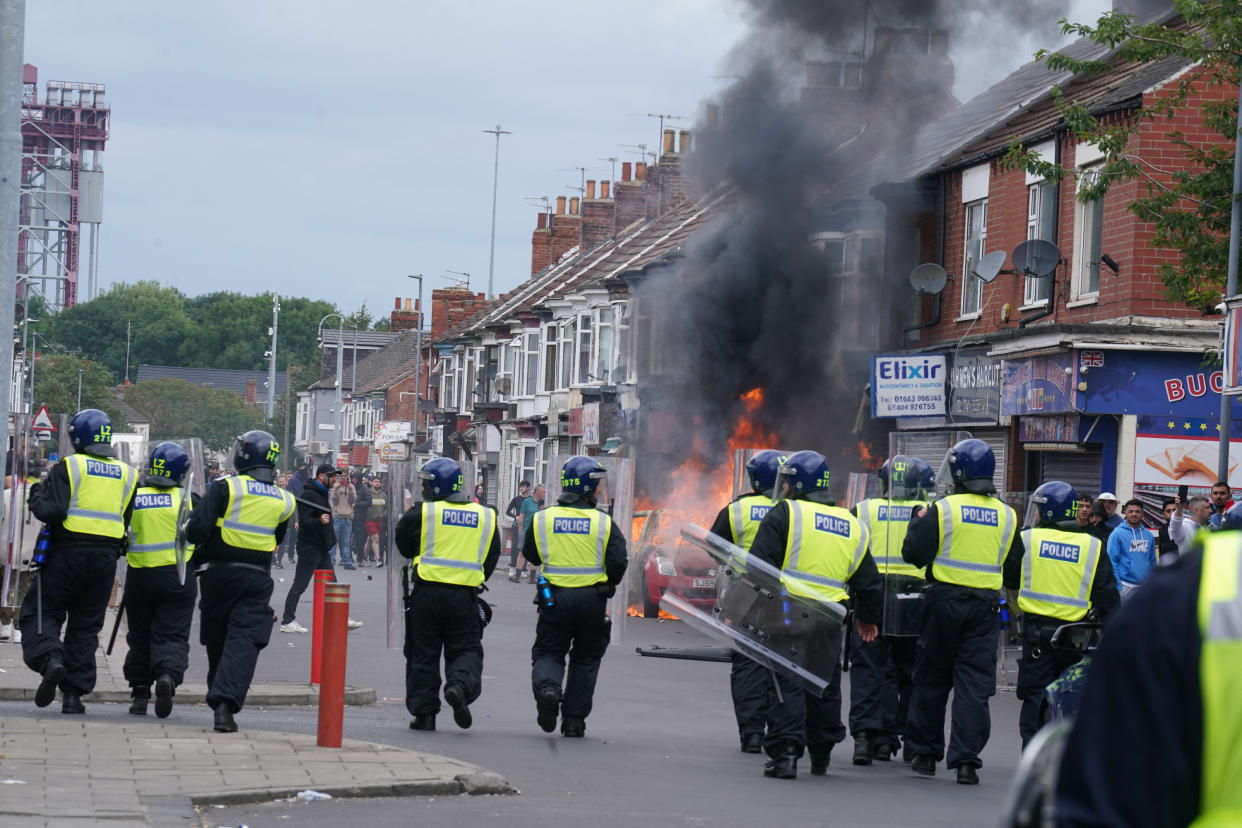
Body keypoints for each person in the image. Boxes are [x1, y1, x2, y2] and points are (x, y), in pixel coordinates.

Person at [1054, 505, 1242, 825]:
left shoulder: (1194, 589)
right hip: (1126, 588)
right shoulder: (1121, 537)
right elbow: (1113, 563)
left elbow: (1114, 781)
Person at [746, 450, 882, 779]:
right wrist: (866, 618)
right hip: (831, 617)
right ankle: (821, 753)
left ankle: (786, 754)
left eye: (789, 481)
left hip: (789, 610)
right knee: (824, 683)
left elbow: (757, 565)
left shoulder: (786, 513)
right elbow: (869, 582)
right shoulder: (853, 524)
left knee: (787, 680)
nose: (786, 488)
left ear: (798, 483)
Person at [901, 438, 1022, 785]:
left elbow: (914, 555)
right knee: (974, 685)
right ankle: (966, 762)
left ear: (958, 472)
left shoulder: (944, 509)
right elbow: (1013, 573)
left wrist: (916, 522)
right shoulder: (1007, 515)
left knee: (931, 678)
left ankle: (925, 755)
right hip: (985, 607)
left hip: (943, 602)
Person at [20, 409, 138, 714]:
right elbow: (126, 519)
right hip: (105, 560)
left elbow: (53, 511)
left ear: (76, 437)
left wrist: (35, 494)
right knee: (85, 627)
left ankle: (51, 659)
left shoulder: (70, 466)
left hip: (66, 555)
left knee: (41, 612)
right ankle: (73, 696)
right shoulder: (128, 474)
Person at [187, 430, 295, 733]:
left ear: (243, 455)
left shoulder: (225, 488)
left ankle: (218, 698)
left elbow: (197, 531)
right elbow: (277, 540)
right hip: (257, 579)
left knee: (218, 640)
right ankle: (226, 705)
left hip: (218, 575)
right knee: (244, 641)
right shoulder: (286, 500)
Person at [522, 456, 628, 738]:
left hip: (553, 598)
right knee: (586, 659)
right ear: (585, 488)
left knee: (549, 651)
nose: (597, 491)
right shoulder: (604, 522)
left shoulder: (543, 518)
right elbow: (618, 560)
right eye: (595, 486)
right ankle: (573, 721)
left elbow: (531, 554)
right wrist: (609, 583)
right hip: (592, 599)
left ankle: (548, 689)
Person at [393, 457, 499, 731]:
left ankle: (424, 714)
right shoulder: (486, 515)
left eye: (426, 484)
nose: (423, 489)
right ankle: (459, 687)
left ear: (438, 486)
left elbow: (403, 545)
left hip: (426, 595)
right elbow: (491, 555)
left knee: (422, 654)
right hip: (464, 597)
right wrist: (473, 576)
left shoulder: (423, 513)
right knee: (465, 650)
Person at [1014, 481, 1118, 749]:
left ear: (1050, 512)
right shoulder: (1092, 545)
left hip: (1037, 633)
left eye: (1039, 509)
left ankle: (1033, 757)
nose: (1035, 514)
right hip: (1075, 635)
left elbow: (1010, 577)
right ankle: (1067, 756)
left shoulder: (1028, 538)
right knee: (1071, 694)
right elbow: (1107, 595)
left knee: (1035, 696)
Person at [848, 454, 933, 765]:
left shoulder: (864, 508)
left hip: (874, 595)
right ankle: (910, 739)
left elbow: (850, 550)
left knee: (870, 667)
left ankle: (866, 738)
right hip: (916, 600)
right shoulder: (927, 512)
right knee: (913, 672)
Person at [708, 449, 784, 754]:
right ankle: (782, 730)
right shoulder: (792, 507)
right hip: (785, 598)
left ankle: (752, 732)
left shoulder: (736, 510)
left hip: (745, 595)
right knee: (783, 661)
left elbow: (714, 546)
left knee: (747, 662)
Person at [122, 442, 199, 719]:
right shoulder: (188, 500)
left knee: (139, 636)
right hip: (177, 576)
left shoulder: (136, 497)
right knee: (172, 633)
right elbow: (201, 535)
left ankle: (140, 694)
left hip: (140, 575)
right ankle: (166, 675)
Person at [280, 465, 356, 633]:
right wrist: (319, 520)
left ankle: (339, 618)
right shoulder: (309, 494)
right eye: (333, 477)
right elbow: (305, 522)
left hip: (320, 546)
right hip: (309, 546)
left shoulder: (321, 493)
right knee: (300, 584)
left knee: (332, 583)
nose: (335, 480)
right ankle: (287, 620)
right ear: (322, 476)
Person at [1106, 499, 1157, 600]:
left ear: (1142, 513)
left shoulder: (1148, 535)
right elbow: (1111, 561)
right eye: (1131, 511)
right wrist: (1118, 587)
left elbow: (1152, 562)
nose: (1134, 514)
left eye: (1137, 511)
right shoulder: (1117, 534)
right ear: (1125, 512)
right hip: (1125, 587)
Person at [512, 484, 546, 583]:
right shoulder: (527, 502)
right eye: (543, 492)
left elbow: (542, 516)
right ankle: (517, 576)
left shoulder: (542, 503)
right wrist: (520, 531)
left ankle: (532, 577)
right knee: (522, 553)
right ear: (537, 492)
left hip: (537, 532)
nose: (544, 494)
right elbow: (521, 517)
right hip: (526, 531)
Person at [504, 480, 531, 581]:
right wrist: (516, 517)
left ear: (527, 488)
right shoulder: (516, 499)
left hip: (527, 526)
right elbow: (507, 512)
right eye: (520, 487)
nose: (521, 488)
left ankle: (524, 569)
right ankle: (512, 567)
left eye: (523, 487)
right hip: (516, 526)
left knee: (525, 548)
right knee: (515, 547)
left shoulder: (531, 500)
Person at [1170, 494, 1212, 558]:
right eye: (1207, 508)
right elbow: (1174, 527)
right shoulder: (1184, 527)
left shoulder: (1206, 529)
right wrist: (1178, 509)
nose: (1211, 511)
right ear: (1196, 510)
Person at [330, 471, 357, 569]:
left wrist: (350, 490)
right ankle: (330, 561)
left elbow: (353, 501)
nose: (344, 477)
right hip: (337, 517)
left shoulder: (351, 486)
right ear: (338, 476)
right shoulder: (335, 486)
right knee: (334, 542)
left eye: (345, 476)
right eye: (342, 476)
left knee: (346, 542)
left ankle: (347, 562)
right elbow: (334, 500)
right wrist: (337, 488)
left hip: (348, 518)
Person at [350, 470, 371, 565]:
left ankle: (360, 558)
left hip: (359, 517)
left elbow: (368, 501)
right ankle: (348, 558)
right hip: (349, 516)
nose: (354, 480)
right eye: (352, 478)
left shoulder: (364, 488)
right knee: (347, 539)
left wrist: (357, 504)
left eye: (355, 478)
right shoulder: (349, 487)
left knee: (360, 539)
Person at [364, 475, 386, 566]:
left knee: (370, 540)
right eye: (375, 481)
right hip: (369, 520)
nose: (377, 483)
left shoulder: (384, 495)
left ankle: (364, 558)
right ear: (371, 483)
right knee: (376, 539)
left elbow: (386, 508)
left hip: (379, 521)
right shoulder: (367, 493)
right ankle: (378, 560)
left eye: (378, 481)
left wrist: (383, 514)